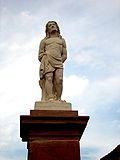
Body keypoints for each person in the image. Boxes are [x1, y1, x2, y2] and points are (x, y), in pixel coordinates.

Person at [38, 21, 67, 101]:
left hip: (58, 62)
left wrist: (61, 61)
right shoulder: (44, 41)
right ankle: (50, 97)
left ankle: (59, 98)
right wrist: (45, 57)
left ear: (57, 27)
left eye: (53, 25)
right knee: (49, 78)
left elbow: (64, 55)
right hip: (47, 60)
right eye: (50, 25)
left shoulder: (62, 41)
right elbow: (40, 54)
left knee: (59, 79)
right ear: (47, 30)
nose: (52, 26)